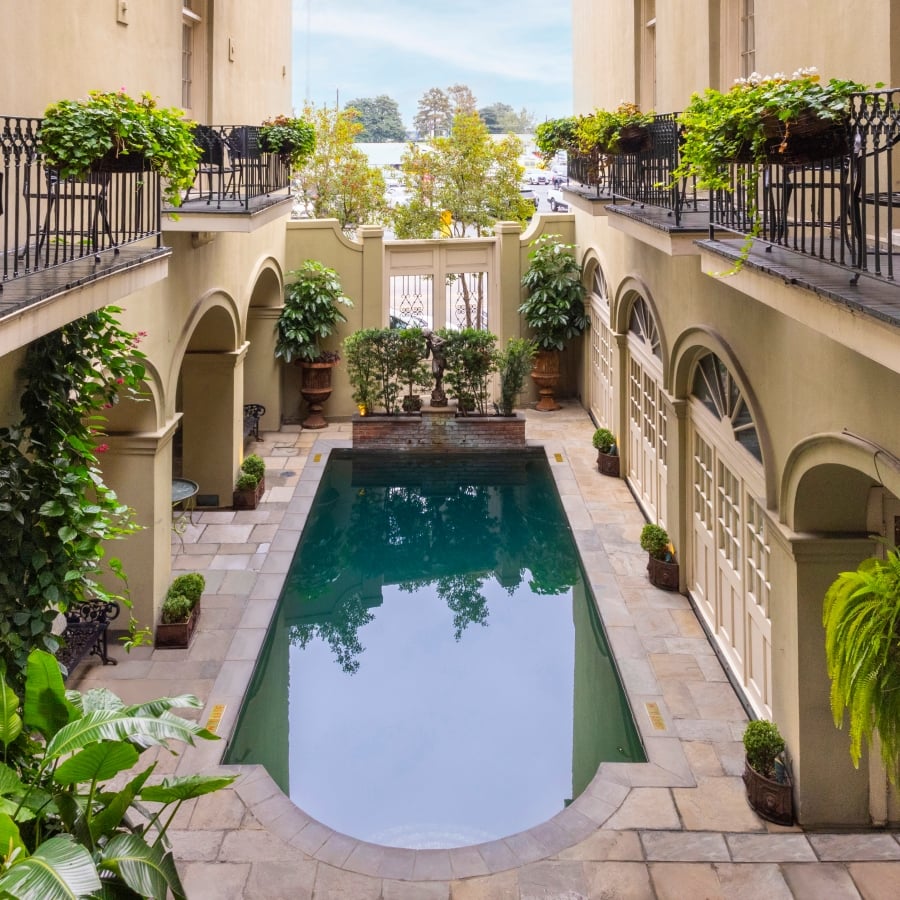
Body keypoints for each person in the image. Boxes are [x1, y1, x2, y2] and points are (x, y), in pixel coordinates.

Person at [423, 329, 448, 406]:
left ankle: (438, 387)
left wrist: (438, 344)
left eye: (426, 337)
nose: (426, 338)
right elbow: (427, 356)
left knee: (440, 374)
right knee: (435, 372)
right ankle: (438, 385)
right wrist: (427, 348)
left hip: (441, 358)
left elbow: (445, 341)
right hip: (435, 359)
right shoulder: (429, 343)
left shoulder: (437, 338)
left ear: (429, 335)